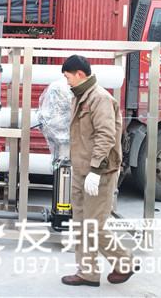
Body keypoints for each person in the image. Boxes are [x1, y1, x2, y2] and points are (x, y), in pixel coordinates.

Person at [60, 55, 137, 287]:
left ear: (80, 74)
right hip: (81, 170)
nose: (67, 82)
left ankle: (125, 262)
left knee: (94, 226)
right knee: (81, 223)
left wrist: (95, 170)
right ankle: (88, 272)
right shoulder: (80, 97)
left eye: (68, 77)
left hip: (99, 173)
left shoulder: (100, 98)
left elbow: (106, 136)